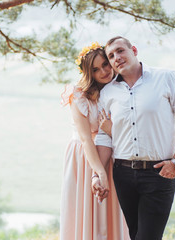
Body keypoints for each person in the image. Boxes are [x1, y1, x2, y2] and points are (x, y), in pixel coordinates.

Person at [94, 36, 175, 240]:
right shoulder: (108, 93)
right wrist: (98, 174)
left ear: (133, 50)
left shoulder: (166, 77)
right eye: (111, 56)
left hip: (158, 174)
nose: (116, 57)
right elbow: (104, 136)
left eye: (120, 51)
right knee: (136, 236)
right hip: (123, 175)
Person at [60, 42, 129, 240]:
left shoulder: (121, 91)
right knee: (87, 210)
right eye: (96, 69)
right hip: (85, 158)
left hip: (112, 154)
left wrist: (111, 130)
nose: (104, 72)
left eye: (105, 65)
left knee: (111, 213)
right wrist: (99, 172)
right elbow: (84, 138)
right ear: (89, 73)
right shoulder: (79, 95)